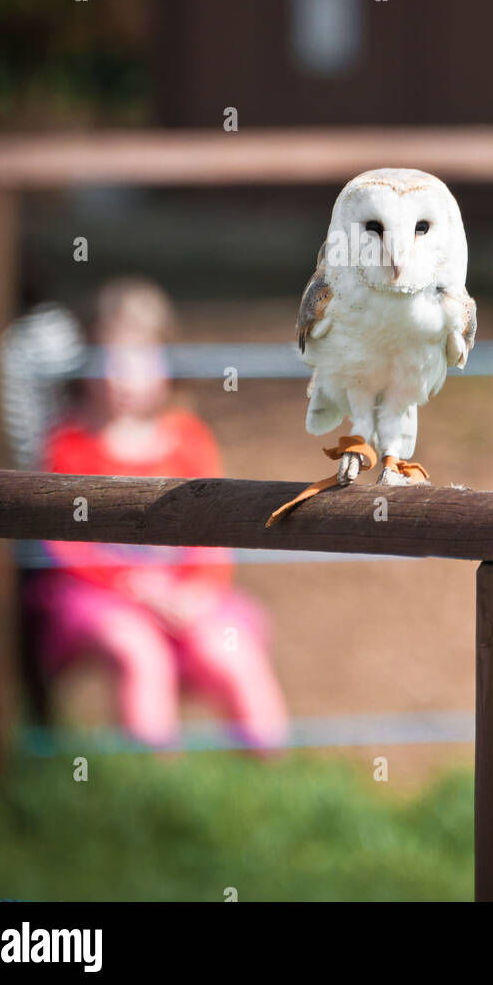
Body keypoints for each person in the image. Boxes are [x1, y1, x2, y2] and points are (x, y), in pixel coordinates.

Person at [26, 278, 289, 751]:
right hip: (100, 598)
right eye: (105, 358)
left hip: (187, 594)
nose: (119, 376)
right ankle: (156, 786)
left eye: (137, 358)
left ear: (166, 362)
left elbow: (215, 529)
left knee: (231, 651)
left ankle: (276, 774)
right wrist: (129, 586)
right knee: (138, 652)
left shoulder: (186, 439)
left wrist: (198, 591)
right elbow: (62, 541)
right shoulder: (68, 444)